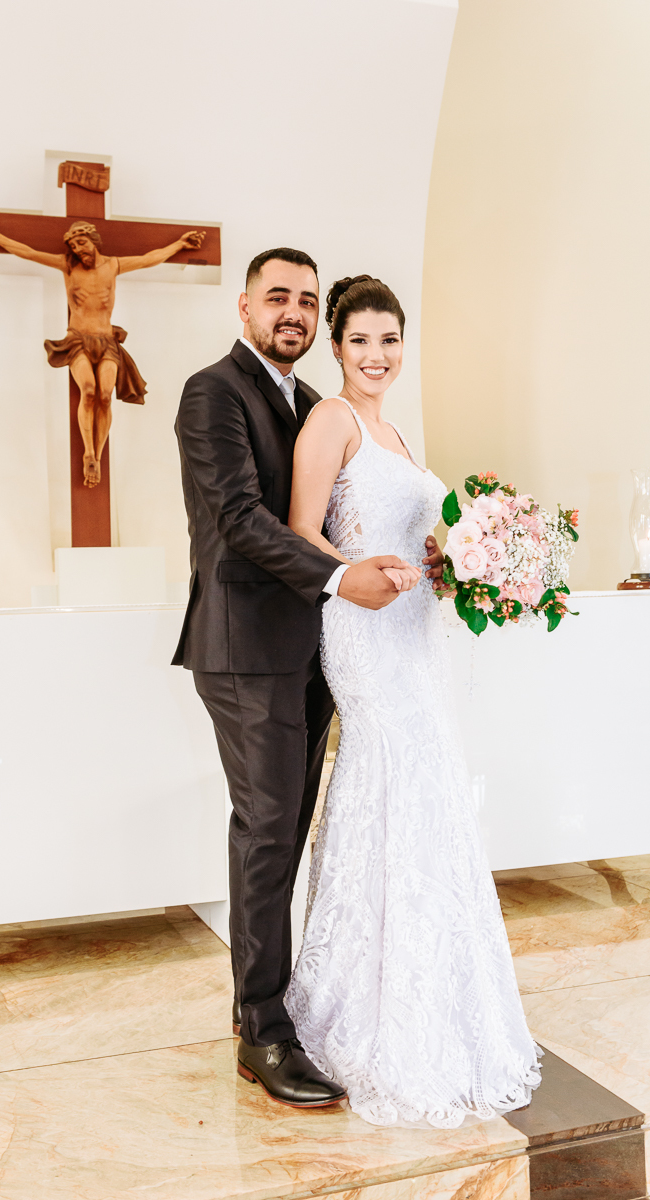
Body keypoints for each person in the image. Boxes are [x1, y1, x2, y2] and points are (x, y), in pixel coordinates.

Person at [173, 249, 443, 1108]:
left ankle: (290, 1000)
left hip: (318, 650)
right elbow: (240, 518)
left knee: (293, 828)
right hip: (246, 647)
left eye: (305, 299)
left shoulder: (303, 403)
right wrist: (340, 576)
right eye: (276, 297)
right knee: (266, 833)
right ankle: (262, 1029)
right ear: (244, 305)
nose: (291, 310)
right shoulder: (213, 391)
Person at [285, 274, 542, 1127]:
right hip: (362, 629)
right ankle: (363, 1003)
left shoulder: (394, 429)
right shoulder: (332, 419)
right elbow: (300, 529)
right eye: (360, 340)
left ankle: (435, 989)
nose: (376, 355)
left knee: (430, 788)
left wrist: (452, 561)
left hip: (416, 630)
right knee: (387, 772)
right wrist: (353, 574)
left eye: (389, 340)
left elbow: (415, 530)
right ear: (336, 346)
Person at [0, 213, 204, 487]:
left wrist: (180, 245)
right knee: (88, 390)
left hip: (106, 341)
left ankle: (97, 455)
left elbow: (151, 258)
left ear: (94, 240)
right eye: (74, 246)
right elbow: (27, 252)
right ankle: (89, 453)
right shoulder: (67, 266)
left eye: (81, 243)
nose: (78, 250)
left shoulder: (113, 265)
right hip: (78, 339)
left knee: (104, 395)